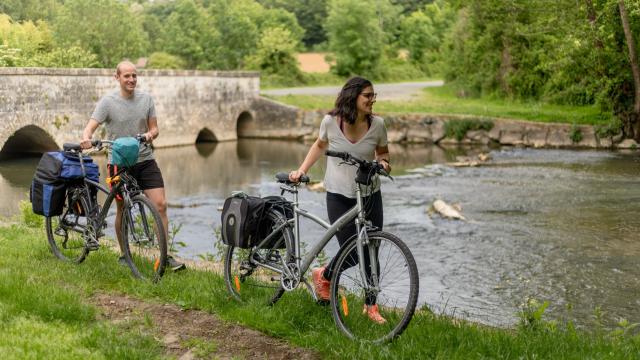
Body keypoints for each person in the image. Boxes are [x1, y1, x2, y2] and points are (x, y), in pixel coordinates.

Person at [289, 76, 391, 324]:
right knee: (353, 252)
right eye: (367, 95)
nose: (372, 100)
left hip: (369, 195)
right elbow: (319, 145)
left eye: (373, 95)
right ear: (353, 96)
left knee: (372, 248)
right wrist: (301, 170)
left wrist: (383, 165)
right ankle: (324, 274)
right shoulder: (331, 122)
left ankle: (371, 306)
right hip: (337, 195)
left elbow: (384, 155)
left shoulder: (377, 125)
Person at [80, 61, 185, 271]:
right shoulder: (107, 102)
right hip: (119, 164)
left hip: (145, 159)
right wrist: (86, 138)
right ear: (117, 77)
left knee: (161, 205)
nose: (131, 80)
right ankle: (123, 253)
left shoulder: (146, 99)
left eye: (134, 76)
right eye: (127, 76)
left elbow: (155, 129)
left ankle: (164, 256)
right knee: (122, 209)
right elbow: (89, 128)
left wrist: (149, 134)